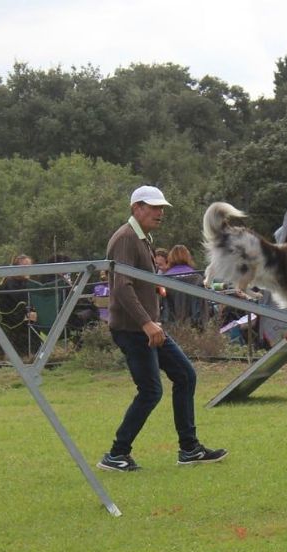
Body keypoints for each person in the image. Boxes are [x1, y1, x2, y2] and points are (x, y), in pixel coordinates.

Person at [98, 185, 227, 472]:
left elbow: (134, 278)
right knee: (150, 391)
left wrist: (155, 286)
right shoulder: (126, 238)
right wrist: (146, 323)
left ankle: (189, 449)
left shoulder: (142, 238)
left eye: (162, 208)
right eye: (154, 207)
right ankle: (116, 454)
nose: (160, 213)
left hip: (148, 327)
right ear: (136, 208)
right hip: (134, 329)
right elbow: (121, 286)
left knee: (185, 375)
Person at [0, 254, 38, 354]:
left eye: (30, 266)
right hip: (12, 315)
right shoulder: (10, 281)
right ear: (16, 268)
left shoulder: (22, 281)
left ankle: (35, 353)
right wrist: (32, 310)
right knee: (38, 319)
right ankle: (33, 354)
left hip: (20, 311)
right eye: (25, 266)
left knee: (38, 315)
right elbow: (19, 300)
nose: (28, 269)